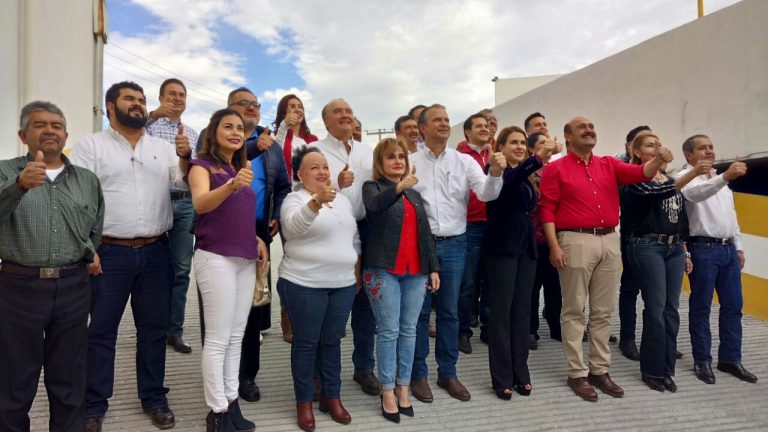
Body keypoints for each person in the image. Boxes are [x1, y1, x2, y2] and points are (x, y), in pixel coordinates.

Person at [70, 81, 190, 431]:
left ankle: (154, 398)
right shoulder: (91, 146)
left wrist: (184, 156)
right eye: (129, 99)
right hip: (108, 252)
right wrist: (86, 248)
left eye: (141, 100)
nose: (137, 105)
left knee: (153, 330)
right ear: (110, 107)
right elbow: (76, 200)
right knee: (102, 332)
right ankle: (94, 405)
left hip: (156, 250)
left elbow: (182, 185)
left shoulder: (162, 147)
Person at [538, 116, 671, 402]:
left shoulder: (608, 164)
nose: (589, 130)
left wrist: (658, 160)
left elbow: (642, 173)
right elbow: (546, 209)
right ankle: (577, 373)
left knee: (602, 311)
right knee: (574, 309)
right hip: (574, 239)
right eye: (582, 128)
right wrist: (554, 246)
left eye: (592, 127)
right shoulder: (555, 168)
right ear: (568, 136)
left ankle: (600, 370)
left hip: (610, 239)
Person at [0, 101, 104, 432]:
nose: (50, 130)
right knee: (15, 378)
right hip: (18, 287)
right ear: (23, 134)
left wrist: (88, 252)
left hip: (73, 287)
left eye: (57, 125)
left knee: (70, 377)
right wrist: (18, 186)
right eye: (40, 125)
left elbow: (95, 228)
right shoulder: (5, 171)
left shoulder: (86, 179)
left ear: (66, 134)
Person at [409, 104, 505, 403]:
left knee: (450, 311)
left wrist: (496, 174)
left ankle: (447, 372)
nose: (444, 124)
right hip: (420, 245)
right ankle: (418, 375)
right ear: (422, 127)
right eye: (436, 120)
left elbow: (487, 194)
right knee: (420, 313)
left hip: (453, 245)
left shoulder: (464, 161)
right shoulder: (410, 162)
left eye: (447, 120)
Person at [188, 108, 268, 432]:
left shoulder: (241, 170)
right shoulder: (201, 166)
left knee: (237, 336)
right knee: (218, 339)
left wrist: (257, 239)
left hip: (245, 259)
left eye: (239, 128)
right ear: (213, 131)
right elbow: (201, 204)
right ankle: (217, 412)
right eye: (228, 126)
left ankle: (231, 402)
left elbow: (237, 217)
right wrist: (233, 184)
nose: (235, 132)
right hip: (215, 257)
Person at [278, 146, 360, 432]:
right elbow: (292, 229)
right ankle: (304, 403)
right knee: (306, 343)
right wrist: (314, 203)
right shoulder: (294, 199)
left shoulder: (342, 201)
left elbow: (353, 236)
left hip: (342, 284)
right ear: (300, 174)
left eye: (324, 166)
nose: (322, 171)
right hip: (304, 284)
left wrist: (355, 268)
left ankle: (331, 396)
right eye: (314, 167)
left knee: (332, 342)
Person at [621, 133, 709, 392]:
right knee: (656, 308)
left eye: (659, 144)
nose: (657, 148)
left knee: (671, 309)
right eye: (650, 145)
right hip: (647, 245)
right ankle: (652, 370)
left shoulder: (670, 179)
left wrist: (685, 250)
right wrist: (692, 174)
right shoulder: (634, 178)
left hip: (674, 248)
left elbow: (680, 217)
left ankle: (666, 367)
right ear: (637, 152)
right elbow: (658, 193)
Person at [362, 138, 440, 423]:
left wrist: (433, 268)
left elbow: (425, 234)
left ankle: (404, 387)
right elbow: (374, 207)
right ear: (379, 163)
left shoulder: (414, 195)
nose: (397, 161)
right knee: (389, 331)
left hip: (415, 273)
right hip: (383, 270)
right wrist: (399, 187)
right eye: (390, 157)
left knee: (409, 331)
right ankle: (387, 390)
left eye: (401, 157)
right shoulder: (374, 187)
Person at [677, 134, 758, 385]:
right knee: (701, 307)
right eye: (702, 148)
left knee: (734, 306)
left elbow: (730, 216)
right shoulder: (684, 178)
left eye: (711, 147)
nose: (709, 151)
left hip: (727, 250)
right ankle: (703, 360)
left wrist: (739, 246)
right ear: (689, 155)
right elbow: (695, 196)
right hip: (703, 249)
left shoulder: (719, 179)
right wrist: (725, 177)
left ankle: (730, 358)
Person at [484, 126, 556, 401]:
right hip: (502, 247)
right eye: (512, 142)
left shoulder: (526, 176)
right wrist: (537, 159)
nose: (518, 146)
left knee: (522, 311)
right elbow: (508, 183)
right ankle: (502, 377)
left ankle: (521, 373)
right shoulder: (496, 173)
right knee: (501, 312)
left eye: (522, 143)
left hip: (526, 248)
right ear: (499, 146)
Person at [314, 99, 379, 396]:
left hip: (367, 232)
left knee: (365, 306)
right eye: (338, 112)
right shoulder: (315, 151)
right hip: (330, 231)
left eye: (349, 112)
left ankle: (364, 368)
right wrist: (337, 185)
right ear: (326, 122)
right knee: (331, 308)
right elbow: (301, 192)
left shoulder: (368, 152)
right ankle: (322, 375)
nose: (346, 116)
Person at [237, 100, 292, 403]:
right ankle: (222, 376)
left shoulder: (270, 146)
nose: (251, 108)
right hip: (222, 232)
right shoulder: (217, 136)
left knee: (255, 305)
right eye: (243, 103)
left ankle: (247, 376)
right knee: (223, 308)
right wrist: (253, 146)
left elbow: (283, 186)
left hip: (260, 229)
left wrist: (278, 213)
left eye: (255, 105)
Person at [145, 78, 200, 354]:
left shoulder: (192, 132)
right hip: (156, 200)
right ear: (159, 97)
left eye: (182, 95)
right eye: (171, 94)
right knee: (153, 270)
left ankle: (174, 331)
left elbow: (199, 170)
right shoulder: (147, 127)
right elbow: (123, 131)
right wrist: (153, 114)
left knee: (181, 269)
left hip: (186, 203)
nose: (177, 99)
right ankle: (153, 328)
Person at [616, 125, 653, 361]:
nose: (656, 149)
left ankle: (655, 337)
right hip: (633, 237)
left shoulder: (663, 174)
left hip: (660, 240)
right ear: (632, 147)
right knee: (630, 289)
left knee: (655, 295)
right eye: (649, 144)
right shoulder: (627, 174)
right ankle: (627, 338)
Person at [456, 113, 492, 355]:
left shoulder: (495, 155)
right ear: (467, 132)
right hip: (470, 226)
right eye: (478, 126)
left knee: (491, 281)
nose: (484, 129)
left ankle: (489, 328)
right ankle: (463, 331)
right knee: (467, 283)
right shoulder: (459, 158)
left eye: (487, 125)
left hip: (494, 225)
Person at [527, 132, 563, 347]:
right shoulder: (528, 170)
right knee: (532, 288)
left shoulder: (556, 168)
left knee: (555, 286)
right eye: (542, 143)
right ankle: (530, 330)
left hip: (555, 236)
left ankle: (556, 325)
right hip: (532, 237)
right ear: (533, 149)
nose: (547, 146)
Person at [273, 93, 318, 180]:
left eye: (300, 107)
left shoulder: (313, 139)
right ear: (283, 113)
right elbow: (275, 155)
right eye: (292, 107)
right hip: (288, 191)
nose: (298, 110)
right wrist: (284, 125)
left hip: (311, 191)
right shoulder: (275, 136)